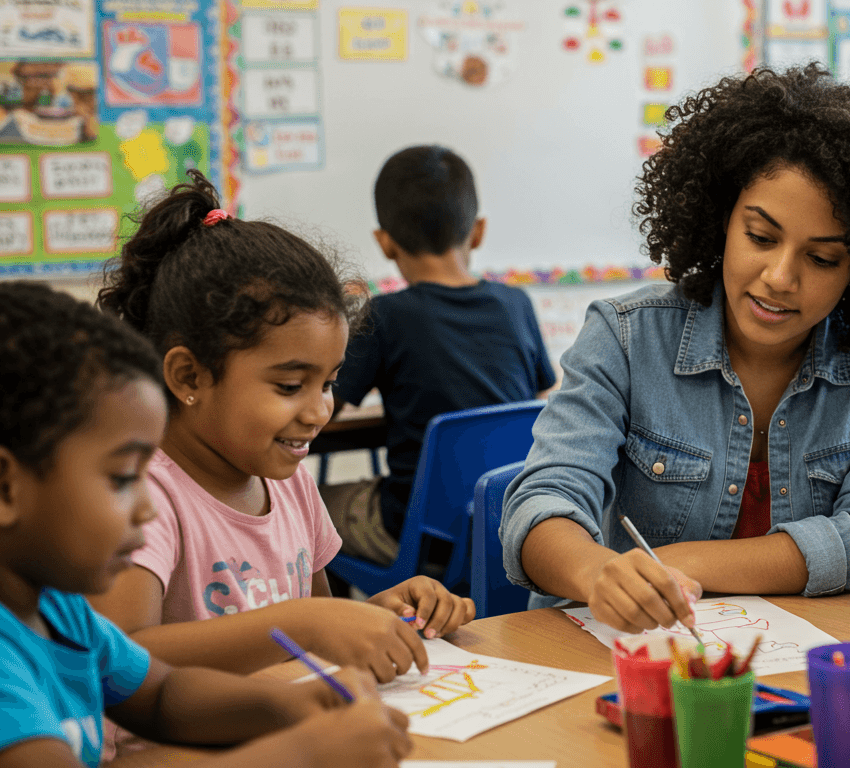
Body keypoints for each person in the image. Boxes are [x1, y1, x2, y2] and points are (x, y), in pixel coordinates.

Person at [501, 64, 850, 633]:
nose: (780, 277)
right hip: (630, 659)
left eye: (823, 258)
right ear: (721, 218)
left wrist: (677, 563)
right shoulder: (626, 336)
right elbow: (541, 503)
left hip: (805, 664)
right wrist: (595, 573)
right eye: (760, 236)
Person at [0, 282, 411, 768]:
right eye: (122, 478)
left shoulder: (59, 612)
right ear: (7, 488)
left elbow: (162, 695)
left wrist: (286, 706)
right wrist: (298, 754)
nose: (147, 508)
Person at [87, 170, 474, 684]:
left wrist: (378, 618)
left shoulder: (290, 485)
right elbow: (121, 655)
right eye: (291, 386)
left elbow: (315, 630)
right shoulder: (146, 498)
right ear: (189, 375)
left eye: (329, 384)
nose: (318, 412)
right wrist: (303, 625)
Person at [324, 145, 556, 565]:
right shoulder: (516, 304)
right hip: (504, 525)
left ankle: (351, 618)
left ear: (385, 243)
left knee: (311, 508)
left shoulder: (386, 316)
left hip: (418, 537)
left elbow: (322, 405)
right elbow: (544, 399)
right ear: (479, 231)